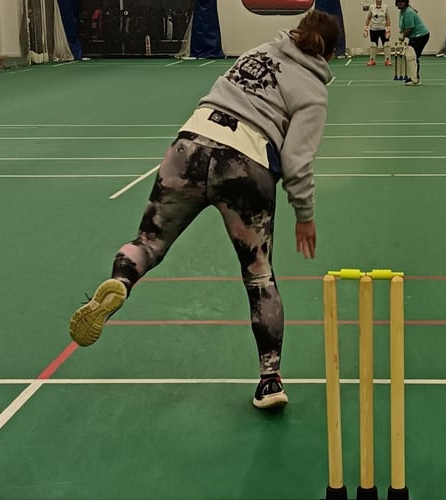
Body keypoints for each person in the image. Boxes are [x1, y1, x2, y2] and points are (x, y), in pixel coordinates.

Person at [68, 10, 341, 410]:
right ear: (330, 54)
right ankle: (269, 381)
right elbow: (297, 162)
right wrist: (305, 214)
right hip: (245, 163)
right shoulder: (313, 90)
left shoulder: (257, 52)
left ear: (295, 33)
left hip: (190, 145)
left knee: (147, 242)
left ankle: (120, 283)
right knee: (259, 275)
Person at [395, 0, 429, 86]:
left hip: (420, 36)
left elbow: (409, 28)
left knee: (413, 57)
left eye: (402, 2)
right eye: (398, 2)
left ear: (406, 3)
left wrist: (402, 37)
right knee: (411, 56)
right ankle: (414, 77)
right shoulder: (402, 12)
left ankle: (415, 80)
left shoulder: (408, 12)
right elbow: (404, 26)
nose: (400, 3)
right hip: (415, 36)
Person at [364, 0, 392, 66]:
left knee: (386, 44)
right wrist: (365, 29)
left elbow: (388, 18)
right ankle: (372, 60)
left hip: (383, 29)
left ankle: (387, 60)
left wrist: (388, 29)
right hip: (373, 29)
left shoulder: (385, 7)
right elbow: (368, 18)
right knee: (373, 45)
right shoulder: (371, 7)